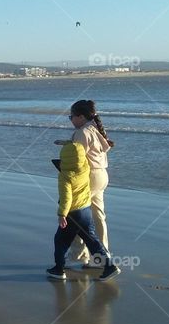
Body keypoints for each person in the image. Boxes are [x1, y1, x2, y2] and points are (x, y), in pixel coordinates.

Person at [47, 141, 120, 281]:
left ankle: (58, 269)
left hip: (72, 214)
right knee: (92, 241)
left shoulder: (64, 176)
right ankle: (109, 266)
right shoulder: (85, 168)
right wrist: (67, 143)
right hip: (86, 211)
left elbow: (66, 198)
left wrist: (62, 214)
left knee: (60, 241)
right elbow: (78, 149)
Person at [56, 100, 114, 267]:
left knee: (77, 216)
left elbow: (77, 158)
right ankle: (102, 256)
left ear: (80, 116)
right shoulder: (95, 129)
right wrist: (66, 142)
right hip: (102, 175)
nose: (71, 120)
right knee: (97, 216)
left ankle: (80, 255)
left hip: (89, 176)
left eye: (71, 117)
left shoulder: (82, 132)